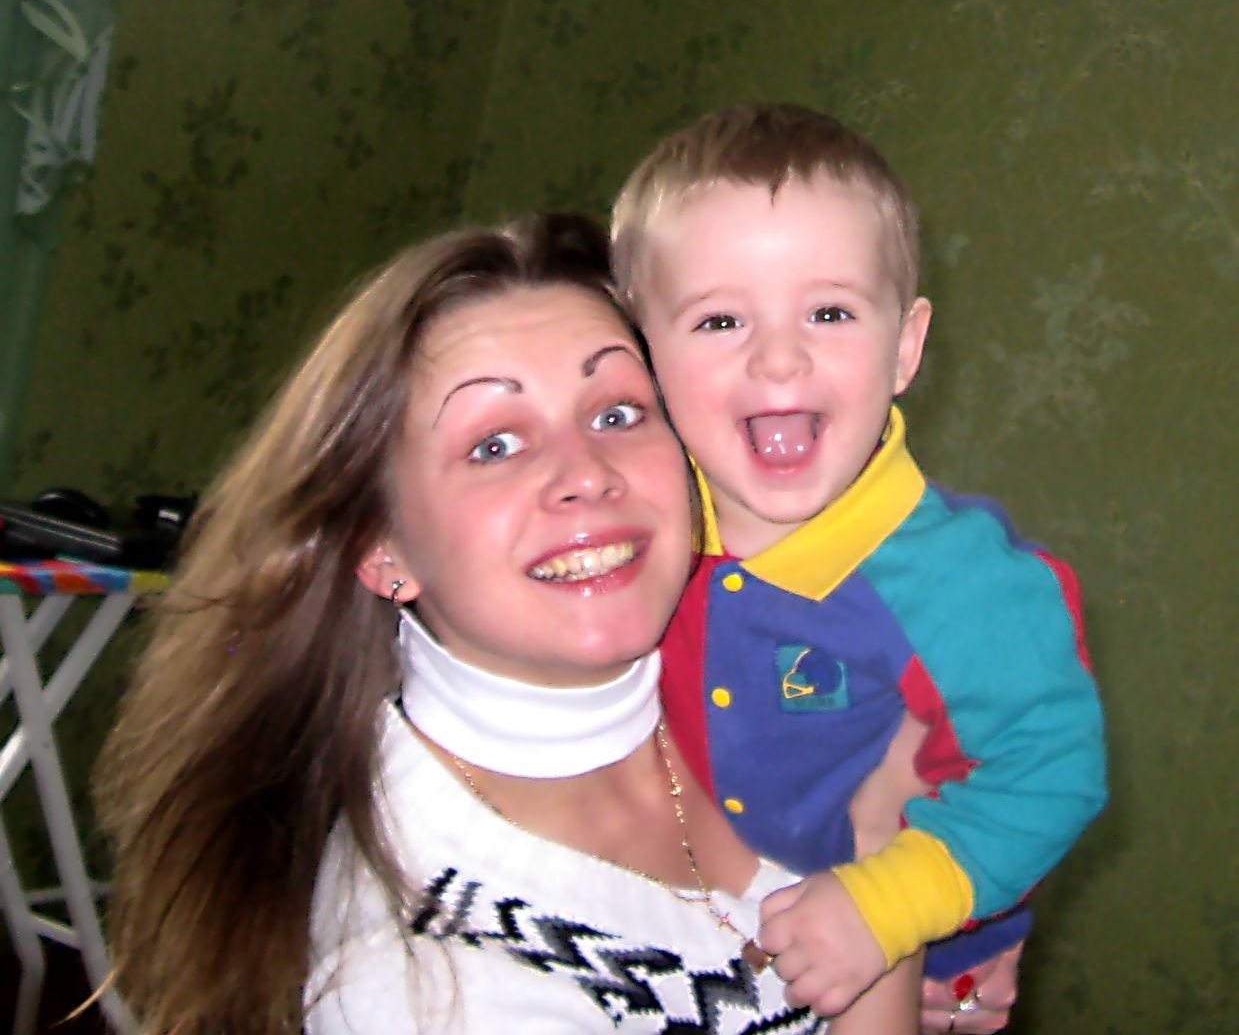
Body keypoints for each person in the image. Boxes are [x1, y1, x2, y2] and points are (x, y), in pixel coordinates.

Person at [94, 212, 924, 1034]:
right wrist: (893, 891)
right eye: (493, 445)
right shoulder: (422, 980)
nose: (584, 474)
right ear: (381, 546)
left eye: (617, 413)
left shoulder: (782, 669)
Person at [610, 103, 1108, 1020]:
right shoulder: (636, 537)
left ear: (905, 347)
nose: (779, 359)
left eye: (829, 312)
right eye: (719, 320)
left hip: (911, 962)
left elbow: (1049, 770)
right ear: (643, 356)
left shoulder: (967, 584)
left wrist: (886, 908)